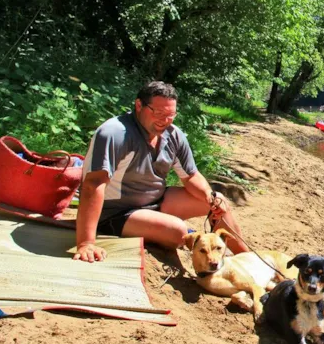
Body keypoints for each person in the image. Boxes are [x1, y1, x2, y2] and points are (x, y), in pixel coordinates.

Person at [74, 81, 250, 263]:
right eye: (158, 113)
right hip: (116, 212)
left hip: (156, 201)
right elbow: (93, 184)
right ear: (139, 105)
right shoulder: (115, 133)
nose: (164, 120)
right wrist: (86, 243)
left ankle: (247, 259)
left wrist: (209, 196)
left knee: (218, 201)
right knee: (178, 232)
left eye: (170, 115)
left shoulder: (173, 135)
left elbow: (191, 176)